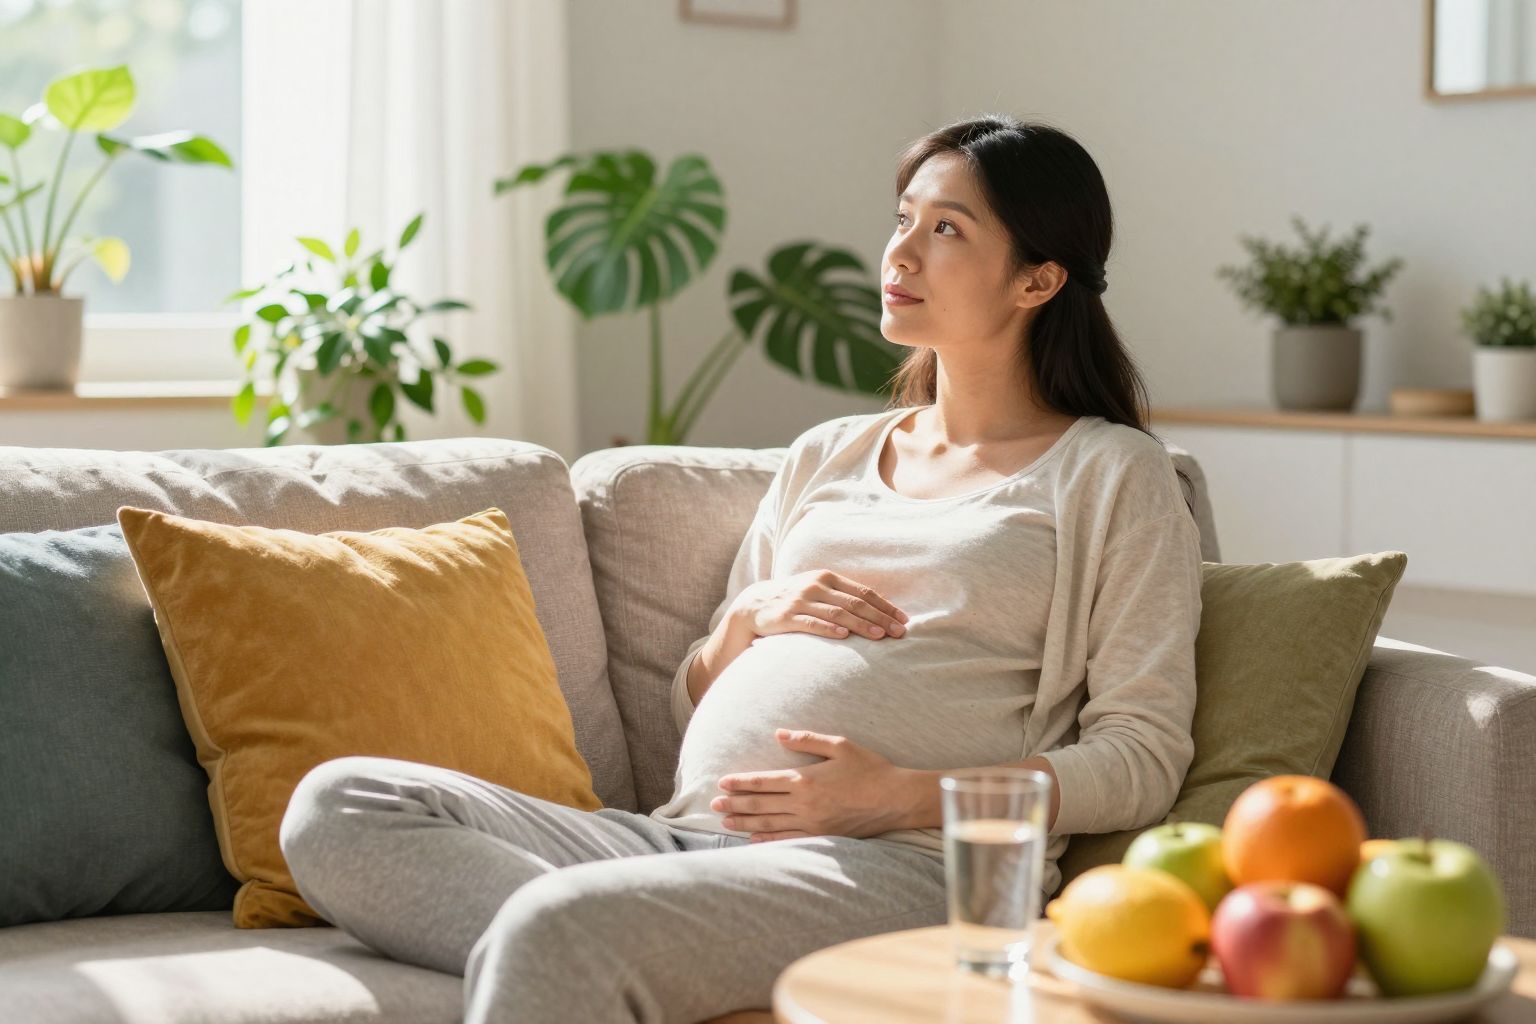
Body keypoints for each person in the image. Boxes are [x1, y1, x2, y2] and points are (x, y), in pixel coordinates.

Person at [278, 114, 1205, 1024]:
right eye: (903, 219)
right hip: (677, 841)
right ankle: (622, 957)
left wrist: (901, 798)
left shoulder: (1110, 473)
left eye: (947, 229)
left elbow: (1142, 756)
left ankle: (597, 948)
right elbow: (692, 700)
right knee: (341, 804)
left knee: (562, 926)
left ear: (1038, 279)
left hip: (899, 866)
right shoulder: (828, 454)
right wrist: (750, 617)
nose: (901, 254)